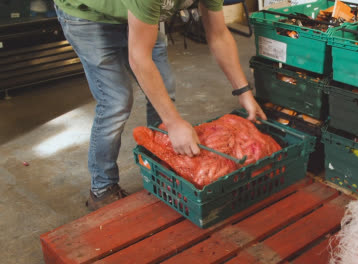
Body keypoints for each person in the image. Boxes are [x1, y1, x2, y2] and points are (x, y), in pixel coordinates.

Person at [53, 0, 267, 210]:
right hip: (89, 15)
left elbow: (219, 34)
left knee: (163, 89)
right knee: (116, 102)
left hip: (142, 14)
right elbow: (139, 58)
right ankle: (102, 188)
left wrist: (243, 91)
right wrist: (173, 123)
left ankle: (159, 169)